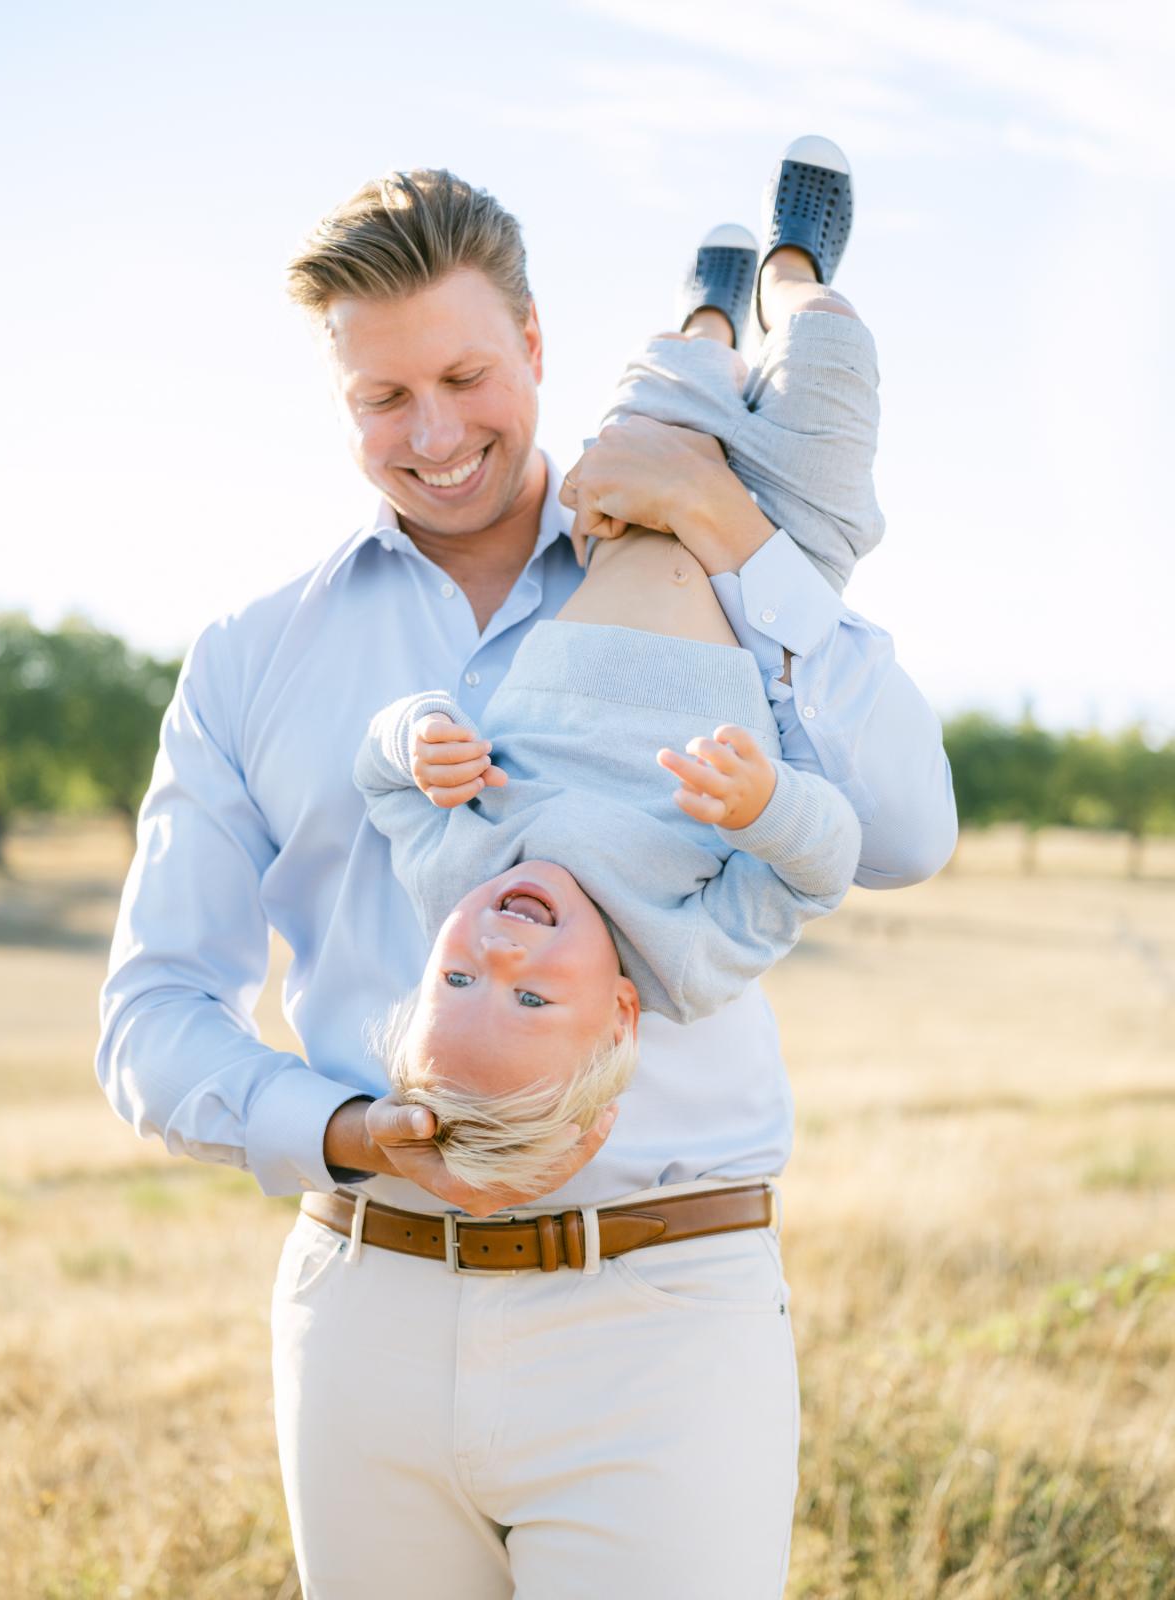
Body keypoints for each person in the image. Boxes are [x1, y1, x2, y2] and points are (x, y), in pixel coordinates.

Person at [97, 142, 956, 1598]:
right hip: (364, 1307)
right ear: (341, 398)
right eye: (382, 397)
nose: (432, 433)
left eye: (466, 379)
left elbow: (903, 833)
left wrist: (730, 526)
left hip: (664, 1312)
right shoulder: (255, 658)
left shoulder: (706, 564)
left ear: (539, 346)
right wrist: (355, 1128)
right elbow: (154, 1013)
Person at [350, 167, 882, 1188]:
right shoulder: (684, 961)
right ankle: (792, 273)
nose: (499, 955)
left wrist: (414, 736)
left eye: (457, 976)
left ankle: (712, 318)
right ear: (621, 1015)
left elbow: (379, 777)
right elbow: (824, 865)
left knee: (666, 388)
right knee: (836, 355)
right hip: (778, 561)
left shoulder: (453, 865)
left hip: (623, 526)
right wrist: (768, 806)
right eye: (531, 1002)